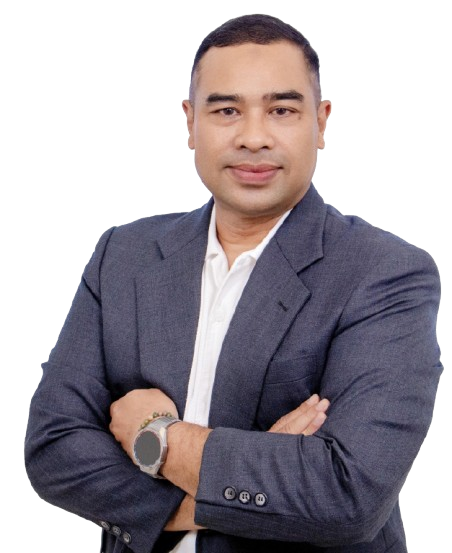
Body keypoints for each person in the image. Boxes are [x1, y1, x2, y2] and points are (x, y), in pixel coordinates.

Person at [24, 13, 443, 553]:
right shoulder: (124, 255)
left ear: (321, 122)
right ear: (190, 122)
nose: (253, 137)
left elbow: (347, 494)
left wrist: (156, 437)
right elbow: (54, 447)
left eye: (282, 110)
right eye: (226, 110)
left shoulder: (385, 272)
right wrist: (241, 486)